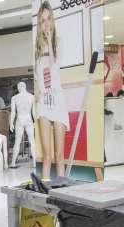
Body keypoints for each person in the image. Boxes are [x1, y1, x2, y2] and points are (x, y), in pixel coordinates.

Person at [35, 1, 69, 179]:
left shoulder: (58, 43)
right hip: (44, 105)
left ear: (53, 21)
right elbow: (37, 78)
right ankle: (44, 196)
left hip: (58, 102)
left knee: (59, 157)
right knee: (47, 157)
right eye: (42, 21)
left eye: (48, 19)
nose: (45, 23)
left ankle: (62, 194)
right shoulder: (36, 48)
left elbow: (54, 69)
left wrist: (49, 40)